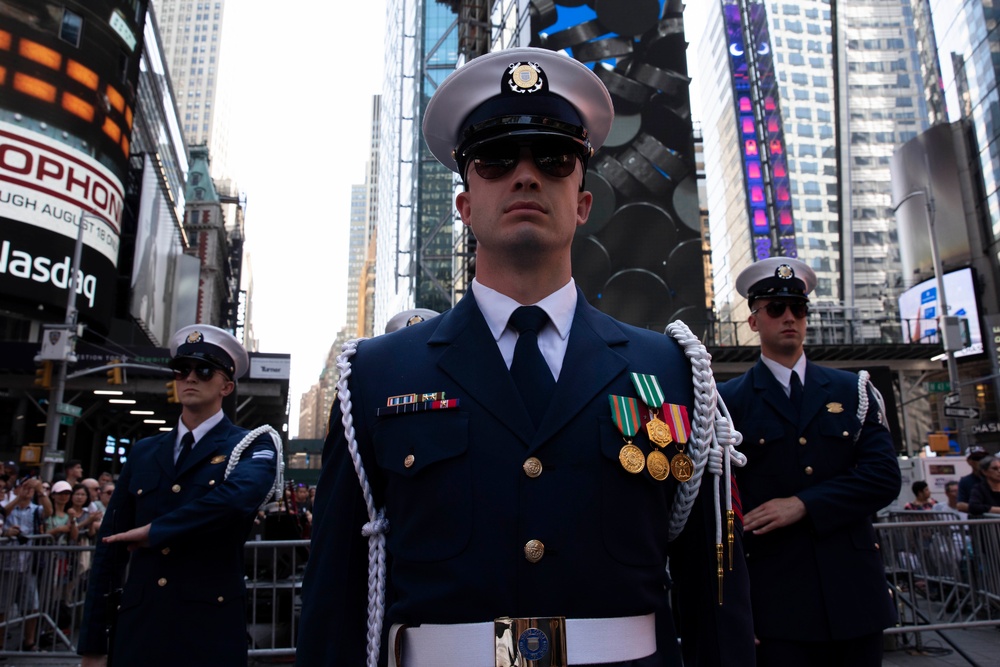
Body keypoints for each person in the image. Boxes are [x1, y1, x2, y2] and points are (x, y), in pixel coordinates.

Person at [297, 47, 754, 667]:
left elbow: (714, 592)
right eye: (495, 159)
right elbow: (335, 601)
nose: (525, 174)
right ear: (464, 206)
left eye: (554, 158)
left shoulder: (672, 372)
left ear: (583, 203)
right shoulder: (375, 378)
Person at [718, 256, 901, 667]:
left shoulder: (853, 390)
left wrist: (803, 504)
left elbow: (884, 478)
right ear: (753, 321)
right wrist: (733, 607)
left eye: (798, 309)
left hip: (854, 596)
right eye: (776, 309)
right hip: (776, 601)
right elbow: (718, 508)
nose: (789, 317)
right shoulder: (726, 402)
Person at [77, 324, 278, 666]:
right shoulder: (144, 451)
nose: (190, 378)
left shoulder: (252, 443)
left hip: (207, 630)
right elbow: (108, 553)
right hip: (139, 630)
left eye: (204, 370)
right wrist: (93, 644)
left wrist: (156, 532)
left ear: (226, 386)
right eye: (182, 370)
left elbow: (236, 499)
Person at [1, 477, 53, 651]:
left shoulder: (36, 509)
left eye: (29, 488)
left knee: (32, 605)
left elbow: (48, 511)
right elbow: (2, 513)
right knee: (2, 607)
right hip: (6, 565)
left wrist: (40, 490)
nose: (27, 490)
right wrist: (18, 497)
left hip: (28, 564)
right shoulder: (7, 506)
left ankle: (29, 641)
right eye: (24, 487)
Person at [956, 446, 989, 513]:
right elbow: (960, 505)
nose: (981, 461)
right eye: (977, 458)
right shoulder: (965, 481)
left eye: (984, 457)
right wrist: (989, 509)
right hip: (978, 521)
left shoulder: (994, 478)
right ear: (969, 461)